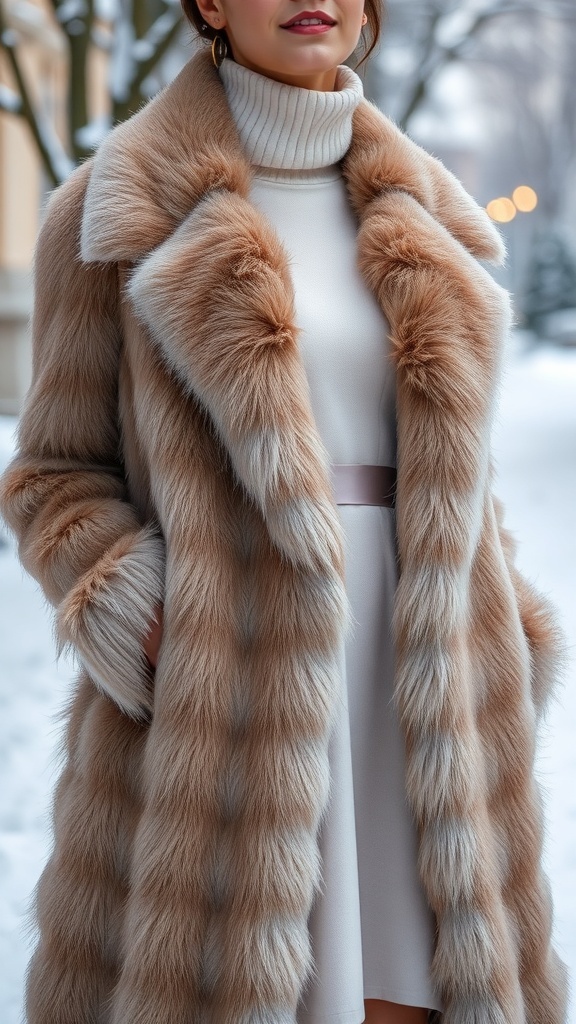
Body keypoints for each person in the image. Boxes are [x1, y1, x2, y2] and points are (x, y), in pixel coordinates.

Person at [0, 2, 568, 1023]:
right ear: (211, 6)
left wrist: (506, 628)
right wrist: (145, 614)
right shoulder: (114, 209)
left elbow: (456, 479)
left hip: (422, 687)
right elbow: (53, 474)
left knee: (431, 987)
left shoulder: (427, 211)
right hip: (224, 707)